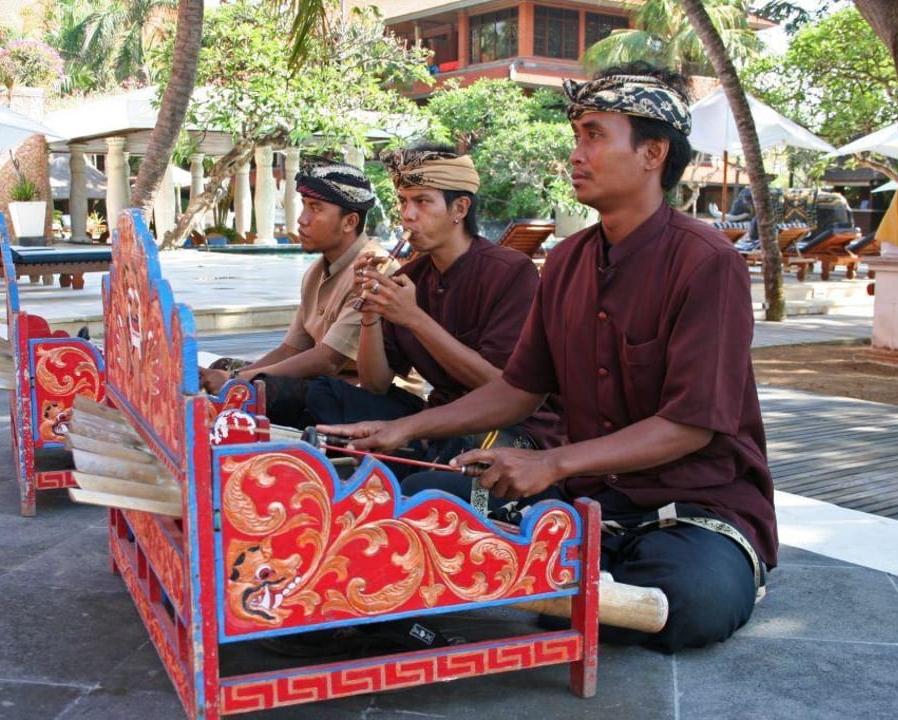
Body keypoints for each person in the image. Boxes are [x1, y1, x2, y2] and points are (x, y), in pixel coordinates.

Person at [319, 62, 778, 653]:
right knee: (421, 508)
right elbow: (519, 389)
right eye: (576, 136)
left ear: (653, 153)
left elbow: (689, 424)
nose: (576, 153)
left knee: (690, 603)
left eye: (594, 134)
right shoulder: (564, 263)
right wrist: (401, 426)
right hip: (585, 499)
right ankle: (565, 580)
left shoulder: (707, 262)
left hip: (690, 506)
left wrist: (553, 463)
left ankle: (563, 580)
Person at [305, 144, 563, 496]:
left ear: (459, 208)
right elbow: (376, 384)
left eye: (422, 202)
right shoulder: (413, 275)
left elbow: (503, 387)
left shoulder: (509, 272)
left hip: (513, 426)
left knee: (424, 487)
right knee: (322, 392)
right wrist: (370, 313)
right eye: (402, 201)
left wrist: (414, 318)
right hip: (436, 418)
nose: (407, 215)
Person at [199, 161, 387, 426]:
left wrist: (237, 382)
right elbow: (290, 349)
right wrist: (236, 375)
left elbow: (328, 361)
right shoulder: (315, 273)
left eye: (315, 208)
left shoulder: (375, 268)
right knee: (222, 366)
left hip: (361, 398)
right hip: (325, 385)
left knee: (262, 390)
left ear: (350, 222)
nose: (301, 219)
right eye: (304, 205)